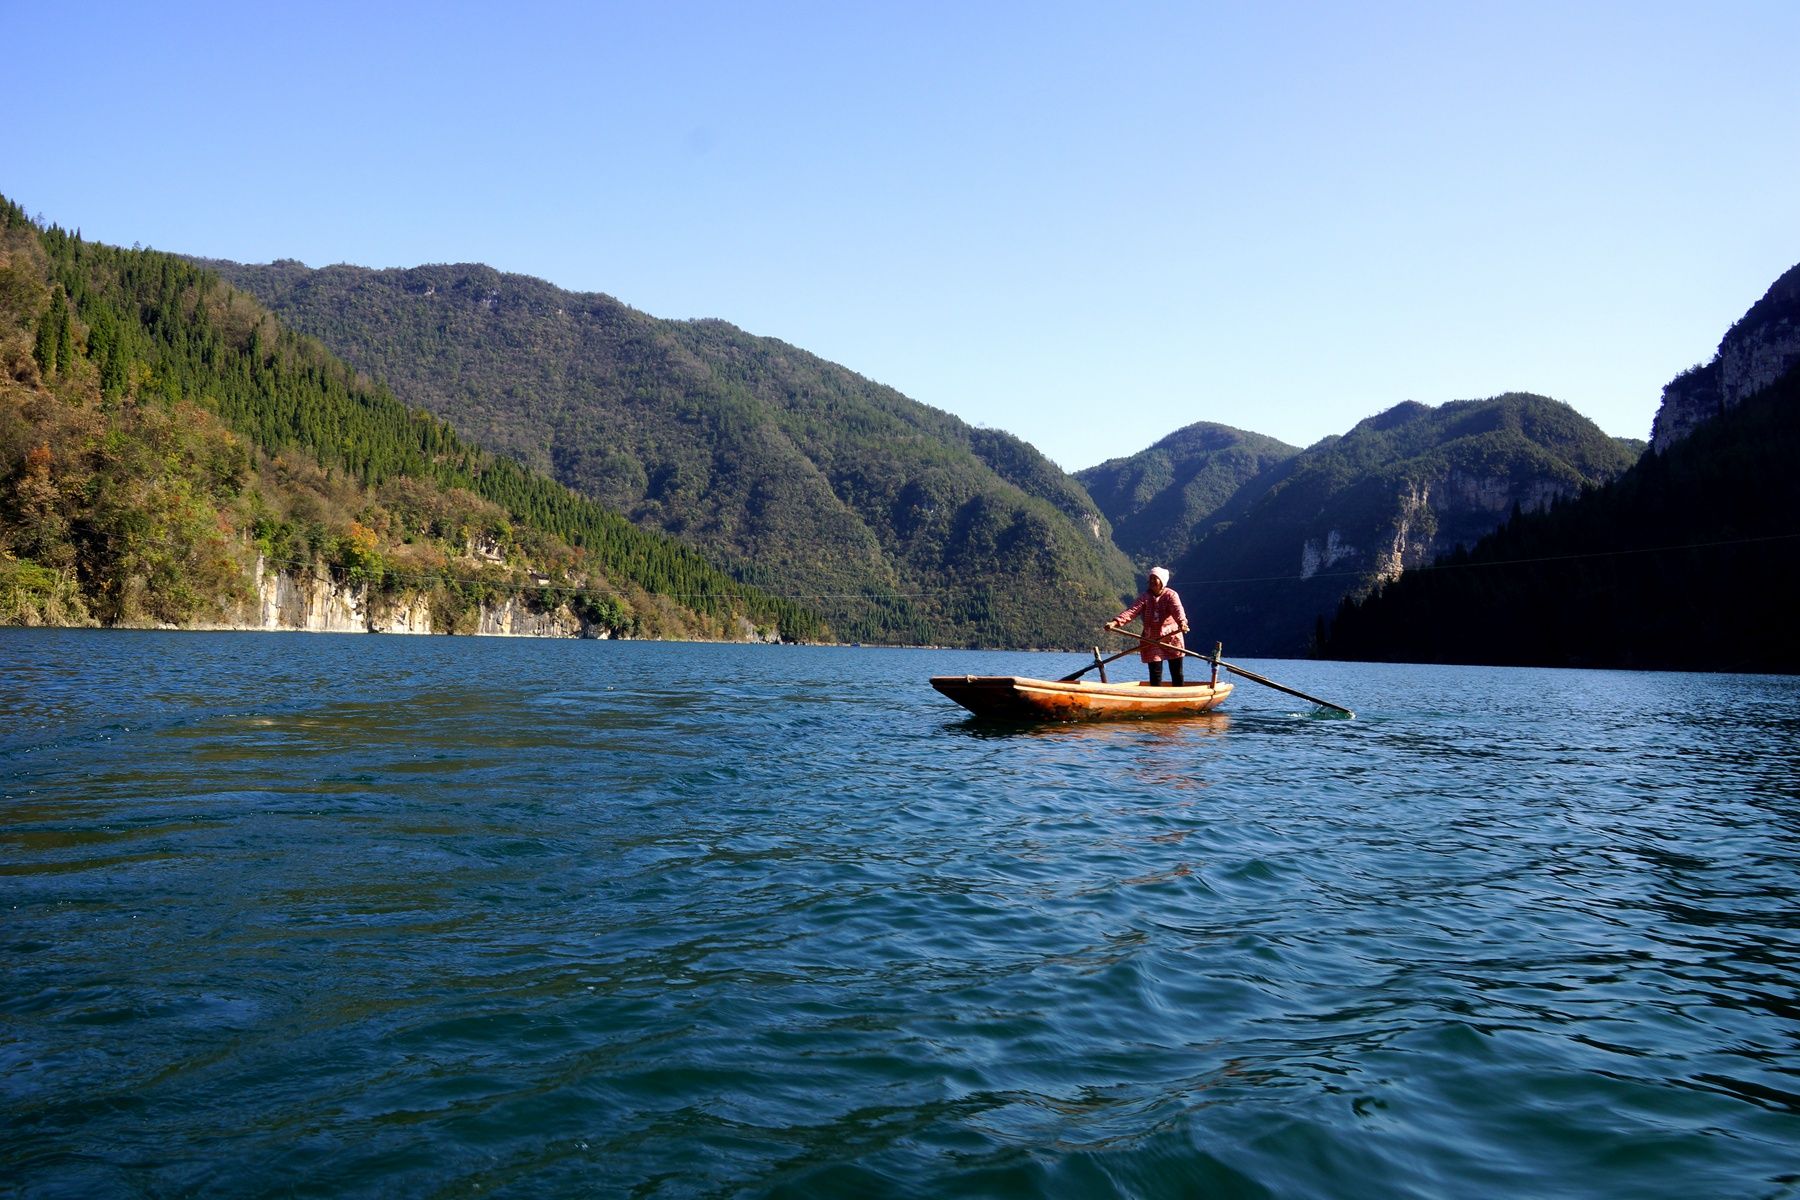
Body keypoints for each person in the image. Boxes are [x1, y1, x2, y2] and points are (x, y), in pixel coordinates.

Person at [1107, 567, 1190, 686]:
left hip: (1171, 638)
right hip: (1151, 639)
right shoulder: (1145, 597)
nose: (1151, 582)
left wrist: (1182, 623)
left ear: (1162, 581)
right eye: (1150, 579)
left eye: (1154, 579)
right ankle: (1156, 696)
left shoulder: (1171, 595)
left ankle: (1180, 695)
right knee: (1155, 672)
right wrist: (1115, 623)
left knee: (1176, 671)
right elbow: (1132, 611)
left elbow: (1178, 611)